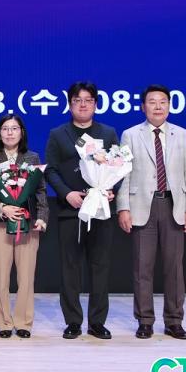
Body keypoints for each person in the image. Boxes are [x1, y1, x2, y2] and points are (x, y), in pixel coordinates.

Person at [117, 84, 186, 340]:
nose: (158, 106)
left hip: (173, 204)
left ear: (169, 106)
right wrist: (123, 207)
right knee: (142, 267)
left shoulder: (182, 134)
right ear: (144, 107)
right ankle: (145, 321)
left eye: (163, 101)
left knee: (174, 268)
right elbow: (123, 174)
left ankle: (174, 321)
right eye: (152, 102)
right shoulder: (130, 135)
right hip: (143, 206)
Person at [44, 81, 119, 340]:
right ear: (70, 104)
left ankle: (97, 322)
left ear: (95, 104)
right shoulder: (58, 134)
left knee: (100, 266)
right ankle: (73, 321)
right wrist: (67, 194)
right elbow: (51, 170)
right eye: (77, 100)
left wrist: (111, 189)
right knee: (70, 268)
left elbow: (117, 165)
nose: (83, 105)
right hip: (71, 209)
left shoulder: (108, 133)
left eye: (88, 100)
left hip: (100, 209)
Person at [0, 115, 48, 339]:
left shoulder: (32, 157)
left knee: (26, 277)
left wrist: (42, 217)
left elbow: (40, 191)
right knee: (1, 278)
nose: (10, 133)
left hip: (27, 224)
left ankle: (23, 322)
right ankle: (4, 323)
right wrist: (3, 208)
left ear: (22, 132)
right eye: (5, 128)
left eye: (14, 128)